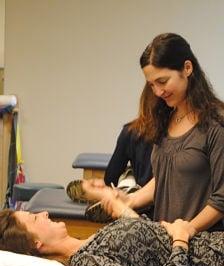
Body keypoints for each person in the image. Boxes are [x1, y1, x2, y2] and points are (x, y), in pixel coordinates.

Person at [86, 32, 224, 233]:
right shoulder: (166, 119)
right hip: (165, 240)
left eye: (163, 81)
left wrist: (187, 230)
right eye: (152, 85)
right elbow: (165, 177)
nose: (158, 92)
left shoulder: (216, 124)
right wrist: (131, 199)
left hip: (199, 245)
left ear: (187, 68)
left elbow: (222, 197)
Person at [0, 187, 223, 266]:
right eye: (35, 218)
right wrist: (181, 238)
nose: (45, 212)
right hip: (213, 265)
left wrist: (122, 209)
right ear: (36, 244)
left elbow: (146, 247)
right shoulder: (85, 265)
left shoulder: (86, 244)